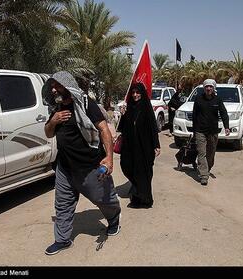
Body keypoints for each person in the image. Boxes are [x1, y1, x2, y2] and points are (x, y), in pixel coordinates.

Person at [42, 71, 121, 256]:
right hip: (65, 166)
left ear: (68, 86)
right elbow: (48, 133)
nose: (54, 90)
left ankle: (114, 218)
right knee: (62, 204)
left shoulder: (86, 105)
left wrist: (109, 158)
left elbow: (103, 130)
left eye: (57, 86)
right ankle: (62, 239)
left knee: (104, 199)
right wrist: (53, 121)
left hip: (90, 166)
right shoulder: (56, 108)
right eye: (52, 86)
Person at [118, 83, 161, 208]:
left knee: (144, 172)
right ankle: (136, 192)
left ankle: (144, 199)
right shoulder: (129, 108)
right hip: (130, 147)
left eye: (138, 93)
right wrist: (123, 115)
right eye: (133, 93)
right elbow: (122, 128)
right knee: (127, 167)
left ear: (142, 94)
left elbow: (153, 127)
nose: (135, 95)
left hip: (145, 147)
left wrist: (156, 145)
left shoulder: (147, 108)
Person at [192, 79, 229, 186]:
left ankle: (208, 168)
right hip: (200, 131)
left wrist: (227, 127)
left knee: (211, 153)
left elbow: (223, 113)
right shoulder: (198, 99)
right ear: (204, 88)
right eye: (207, 87)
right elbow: (194, 115)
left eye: (210, 87)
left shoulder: (218, 99)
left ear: (213, 88)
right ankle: (204, 175)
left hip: (213, 131)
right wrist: (194, 130)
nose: (208, 88)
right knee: (201, 153)